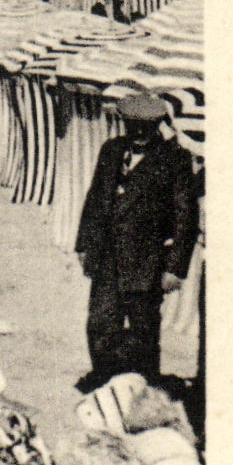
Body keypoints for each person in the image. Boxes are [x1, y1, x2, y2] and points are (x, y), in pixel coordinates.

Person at [74, 92, 200, 391]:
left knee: (143, 330)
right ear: (125, 124)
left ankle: (144, 387)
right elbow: (95, 198)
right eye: (134, 126)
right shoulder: (112, 150)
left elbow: (186, 217)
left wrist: (175, 268)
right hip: (107, 257)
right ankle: (105, 382)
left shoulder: (175, 160)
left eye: (147, 127)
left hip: (147, 260)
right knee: (100, 324)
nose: (140, 134)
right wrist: (84, 243)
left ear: (159, 125)